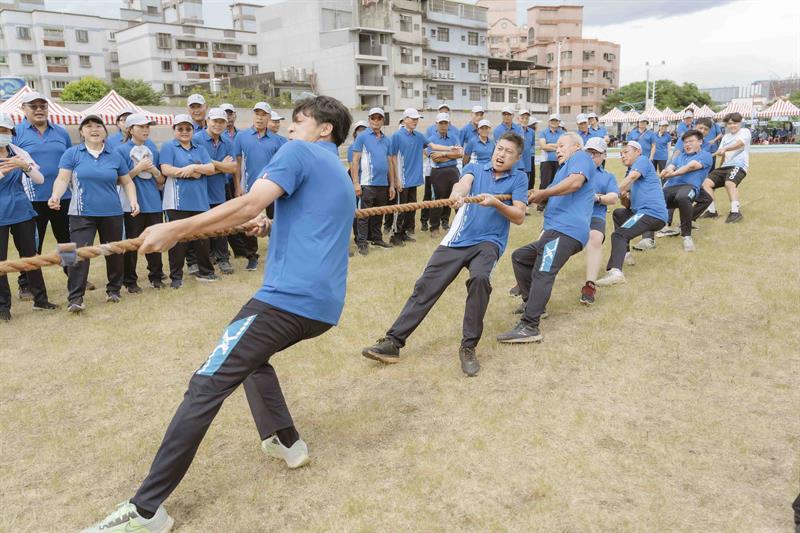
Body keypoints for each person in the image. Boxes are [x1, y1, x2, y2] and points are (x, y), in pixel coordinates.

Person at [80, 96, 355, 533]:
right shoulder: (337, 170)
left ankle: (146, 510)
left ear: (324, 129)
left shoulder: (298, 151)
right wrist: (272, 225)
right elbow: (314, 220)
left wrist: (176, 228)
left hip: (286, 300)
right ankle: (286, 441)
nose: (290, 128)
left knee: (205, 385)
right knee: (247, 356)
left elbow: (249, 203)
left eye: (299, 121)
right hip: (322, 307)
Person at [362, 132, 528, 377]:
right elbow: (462, 184)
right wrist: (457, 195)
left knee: (480, 280)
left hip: (488, 243)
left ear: (517, 158)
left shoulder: (519, 179)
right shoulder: (475, 167)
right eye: (500, 149)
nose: (502, 155)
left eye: (508, 152)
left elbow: (519, 216)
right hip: (457, 239)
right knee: (425, 286)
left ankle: (468, 347)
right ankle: (392, 343)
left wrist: (497, 203)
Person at [496, 132, 594, 344]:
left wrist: (543, 194)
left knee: (543, 272)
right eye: (556, 146)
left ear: (576, 147)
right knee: (521, 257)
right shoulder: (562, 170)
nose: (556, 149)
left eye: (561, 145)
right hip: (555, 231)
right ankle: (533, 304)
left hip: (566, 230)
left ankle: (530, 325)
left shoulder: (581, 157)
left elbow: (575, 183)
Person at [48, 114, 140, 312]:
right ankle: (75, 298)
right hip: (81, 213)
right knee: (75, 254)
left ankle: (114, 290)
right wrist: (55, 196)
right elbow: (62, 179)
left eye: (98, 125)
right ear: (81, 132)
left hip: (112, 212)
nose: (94, 129)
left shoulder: (115, 155)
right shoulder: (72, 153)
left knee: (114, 252)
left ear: (105, 132)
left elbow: (127, 181)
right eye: (88, 126)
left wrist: (133, 201)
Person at [12, 91, 73, 301]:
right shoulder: (16, 132)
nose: (39, 110)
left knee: (66, 241)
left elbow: (70, 161)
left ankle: (73, 276)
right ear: (23, 109)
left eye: (43, 106)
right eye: (33, 106)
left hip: (61, 197)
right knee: (31, 244)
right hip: (31, 200)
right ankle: (25, 284)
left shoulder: (61, 132)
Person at [0, 113, 57, 320]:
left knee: (31, 256)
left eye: (5, 131)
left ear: (12, 133)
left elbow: (40, 179)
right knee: (1, 263)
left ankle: (40, 299)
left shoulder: (18, 151)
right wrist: (7, 169)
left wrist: (25, 166)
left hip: (22, 210)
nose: (2, 134)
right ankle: (3, 307)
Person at [596, 141, 667, 287]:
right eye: (621, 154)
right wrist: (622, 196)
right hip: (641, 212)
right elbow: (628, 206)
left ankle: (616, 272)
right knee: (619, 213)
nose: (622, 156)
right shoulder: (630, 171)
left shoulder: (643, 161)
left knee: (619, 235)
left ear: (638, 152)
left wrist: (608, 194)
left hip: (652, 213)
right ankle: (626, 254)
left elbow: (631, 178)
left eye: (626, 152)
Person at [159, 114, 218, 288]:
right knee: (177, 240)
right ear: (174, 130)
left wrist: (195, 166)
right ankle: (176, 277)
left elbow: (211, 168)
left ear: (193, 130)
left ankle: (206, 272)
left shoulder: (199, 147)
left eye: (188, 128)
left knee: (202, 238)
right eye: (180, 129)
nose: (184, 132)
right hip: (177, 201)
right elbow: (166, 169)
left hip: (199, 200)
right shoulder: (169, 146)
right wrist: (189, 172)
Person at [115, 113, 166, 292]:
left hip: (153, 202)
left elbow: (161, 181)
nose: (145, 130)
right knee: (132, 243)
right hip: (131, 204)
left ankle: (156, 276)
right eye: (141, 127)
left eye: (147, 127)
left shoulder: (152, 147)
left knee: (155, 241)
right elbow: (119, 180)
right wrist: (137, 169)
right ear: (130, 129)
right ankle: (129, 280)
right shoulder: (121, 150)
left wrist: (153, 170)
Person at [233, 102, 282, 270]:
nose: (260, 118)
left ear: (269, 117)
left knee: (277, 221)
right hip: (249, 188)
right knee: (250, 222)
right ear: (252, 116)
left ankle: (277, 253)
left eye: (263, 115)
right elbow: (237, 164)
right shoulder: (242, 137)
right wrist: (238, 186)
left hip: (273, 188)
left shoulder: (277, 140)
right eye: (257, 114)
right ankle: (252, 256)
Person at [651, 129, 713, 252]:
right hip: (670, 188)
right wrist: (665, 172)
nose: (687, 144)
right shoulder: (680, 156)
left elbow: (690, 167)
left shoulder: (705, 155)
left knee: (684, 197)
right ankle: (648, 239)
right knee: (652, 201)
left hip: (688, 187)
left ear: (700, 142)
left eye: (691, 141)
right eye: (685, 142)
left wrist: (672, 174)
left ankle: (686, 236)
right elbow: (670, 166)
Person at [195, 108, 237, 275]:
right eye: (215, 121)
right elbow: (198, 164)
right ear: (207, 121)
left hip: (219, 190)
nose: (218, 125)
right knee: (201, 227)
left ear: (226, 124)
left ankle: (223, 258)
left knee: (221, 224)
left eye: (222, 122)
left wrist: (212, 164)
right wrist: (220, 165)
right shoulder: (197, 139)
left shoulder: (227, 142)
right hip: (200, 190)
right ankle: (203, 259)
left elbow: (233, 167)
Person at [351, 107, 396, 253]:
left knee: (379, 213)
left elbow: (390, 163)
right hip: (367, 183)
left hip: (383, 184)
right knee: (364, 215)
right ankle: (362, 242)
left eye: (379, 118)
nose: (376, 121)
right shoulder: (362, 136)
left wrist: (392, 185)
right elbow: (355, 161)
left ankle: (377, 238)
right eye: (373, 118)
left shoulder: (386, 140)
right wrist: (356, 183)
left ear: (383, 120)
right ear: (369, 119)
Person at [580, 137, 619, 305]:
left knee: (595, 238)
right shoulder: (576, 171)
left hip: (595, 214)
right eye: (589, 152)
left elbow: (613, 198)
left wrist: (596, 197)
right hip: (574, 214)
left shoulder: (608, 177)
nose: (592, 156)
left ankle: (590, 285)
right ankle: (528, 277)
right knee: (546, 235)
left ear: (604, 156)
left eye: (596, 153)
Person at [694, 112, 751, 223]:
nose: (732, 126)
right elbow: (722, 154)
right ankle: (711, 211)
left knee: (729, 183)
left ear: (740, 123)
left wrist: (726, 149)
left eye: (735, 123)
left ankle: (735, 212)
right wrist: (718, 168)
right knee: (706, 183)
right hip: (724, 167)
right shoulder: (725, 137)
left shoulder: (745, 132)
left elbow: (740, 144)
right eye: (729, 124)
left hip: (738, 165)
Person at [388, 108, 428, 247]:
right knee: (400, 209)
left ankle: (404, 232)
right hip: (402, 180)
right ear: (405, 119)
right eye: (412, 118)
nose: (415, 121)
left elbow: (432, 145)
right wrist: (396, 179)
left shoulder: (418, 136)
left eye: (417, 119)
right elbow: (392, 158)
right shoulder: (397, 136)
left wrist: (450, 149)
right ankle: (395, 235)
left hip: (414, 180)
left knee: (411, 209)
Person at [421, 104, 460, 232]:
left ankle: (445, 222)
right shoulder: (431, 139)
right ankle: (434, 226)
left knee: (452, 197)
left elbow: (459, 153)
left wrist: (444, 154)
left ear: (449, 124)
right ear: (436, 124)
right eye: (441, 123)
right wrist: (451, 155)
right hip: (438, 171)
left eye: (446, 123)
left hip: (453, 171)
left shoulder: (454, 137)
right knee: (437, 199)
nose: (443, 125)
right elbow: (434, 157)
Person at [348, 120, 368, 253]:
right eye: (359, 129)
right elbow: (352, 165)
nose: (361, 132)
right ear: (355, 133)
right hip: (357, 181)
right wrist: (356, 183)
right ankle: (358, 238)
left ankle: (367, 236)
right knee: (357, 212)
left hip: (368, 182)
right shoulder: (353, 147)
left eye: (364, 129)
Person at [537, 114, 563, 211]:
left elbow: (563, 145)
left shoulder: (562, 133)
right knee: (545, 183)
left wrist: (550, 145)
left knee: (557, 183)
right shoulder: (543, 133)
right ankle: (541, 204)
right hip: (546, 161)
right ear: (549, 122)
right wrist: (557, 146)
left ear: (559, 122)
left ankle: (555, 204)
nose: (554, 122)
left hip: (559, 161)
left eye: (556, 120)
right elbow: (543, 146)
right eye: (552, 120)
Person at [517, 109, 535, 188]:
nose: (524, 120)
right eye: (522, 118)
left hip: (527, 164)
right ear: (518, 118)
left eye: (526, 118)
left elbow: (532, 145)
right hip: (516, 164)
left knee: (525, 186)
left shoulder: (531, 132)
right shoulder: (514, 130)